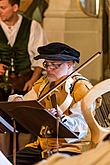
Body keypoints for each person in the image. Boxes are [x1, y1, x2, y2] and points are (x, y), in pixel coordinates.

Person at [8, 42, 101, 164]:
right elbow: (28, 101)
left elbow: (80, 127)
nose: (48, 69)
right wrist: (19, 102)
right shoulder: (44, 83)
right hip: (43, 146)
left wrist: (62, 119)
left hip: (73, 148)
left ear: (69, 64)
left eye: (54, 65)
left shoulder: (81, 87)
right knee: (8, 161)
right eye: (46, 64)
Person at [0, 0, 48, 101]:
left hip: (25, 80)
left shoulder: (32, 26)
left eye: (3, 8)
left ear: (15, 8)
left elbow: (40, 57)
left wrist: (33, 80)